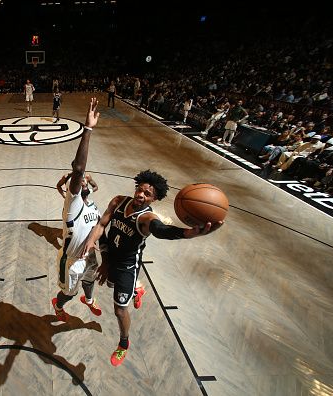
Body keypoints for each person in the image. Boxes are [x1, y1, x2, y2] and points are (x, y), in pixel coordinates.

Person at [82, 171, 223, 367]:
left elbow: (161, 230)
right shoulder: (118, 202)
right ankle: (137, 289)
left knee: (120, 310)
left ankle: (124, 343)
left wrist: (189, 233)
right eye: (139, 189)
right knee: (110, 284)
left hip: (127, 266)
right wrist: (91, 242)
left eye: (147, 194)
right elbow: (102, 224)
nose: (141, 194)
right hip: (111, 257)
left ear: (154, 199)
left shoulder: (147, 218)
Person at [52, 97, 102, 322]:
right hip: (71, 261)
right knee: (67, 294)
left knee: (90, 279)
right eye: (78, 179)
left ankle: (89, 300)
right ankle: (58, 305)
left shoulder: (92, 203)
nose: (82, 180)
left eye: (83, 179)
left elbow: (100, 227)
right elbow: (79, 168)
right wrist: (88, 129)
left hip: (90, 255)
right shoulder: (73, 204)